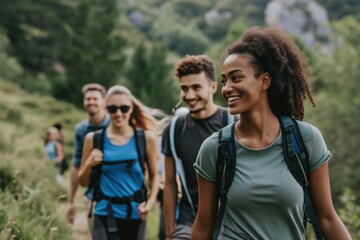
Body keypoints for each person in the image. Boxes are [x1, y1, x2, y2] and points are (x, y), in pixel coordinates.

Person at [192, 26, 352, 239]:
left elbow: (327, 219)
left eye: (236, 78)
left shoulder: (305, 140)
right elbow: (203, 226)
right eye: (224, 81)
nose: (227, 88)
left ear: (264, 81)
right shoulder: (216, 148)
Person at [162, 55, 236, 239]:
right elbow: (170, 184)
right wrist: (170, 231)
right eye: (184, 89)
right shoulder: (174, 130)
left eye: (196, 87)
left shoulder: (234, 123)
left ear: (213, 87)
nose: (189, 95)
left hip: (230, 223)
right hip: (189, 221)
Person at [78, 85, 159, 240]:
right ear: (106, 108)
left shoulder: (145, 139)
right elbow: (83, 182)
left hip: (136, 213)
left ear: (131, 108)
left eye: (124, 108)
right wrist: (89, 163)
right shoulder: (93, 139)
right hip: (103, 212)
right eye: (113, 109)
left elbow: (155, 176)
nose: (118, 113)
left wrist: (150, 203)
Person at [67, 83, 110, 225]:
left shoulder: (115, 123)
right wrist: (71, 201)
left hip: (117, 190)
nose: (91, 102)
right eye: (88, 99)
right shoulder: (80, 129)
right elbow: (76, 164)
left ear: (103, 102)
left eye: (95, 99)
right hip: (92, 193)